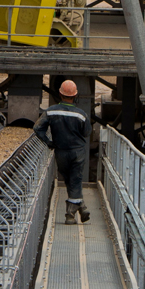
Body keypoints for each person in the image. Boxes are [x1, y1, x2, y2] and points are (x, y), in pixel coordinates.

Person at [33, 80, 91, 224]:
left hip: (61, 151)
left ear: (60, 94)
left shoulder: (51, 111)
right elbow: (87, 132)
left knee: (69, 179)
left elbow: (37, 128)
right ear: (75, 95)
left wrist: (48, 142)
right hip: (78, 152)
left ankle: (81, 206)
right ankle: (70, 214)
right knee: (76, 179)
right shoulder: (81, 115)